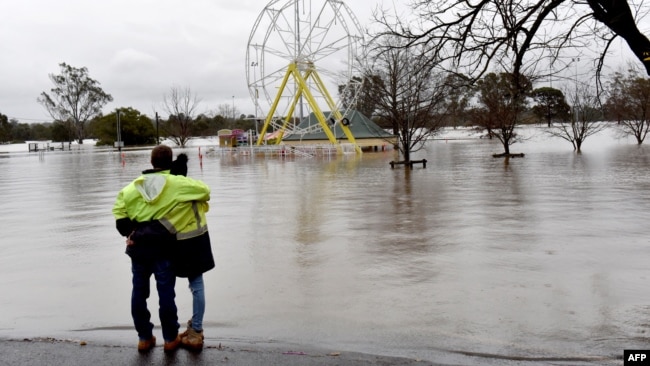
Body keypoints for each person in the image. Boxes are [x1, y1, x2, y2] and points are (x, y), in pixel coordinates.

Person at [113, 145, 211, 353]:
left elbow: (120, 217)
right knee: (166, 293)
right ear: (170, 162)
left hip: (138, 250)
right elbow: (205, 192)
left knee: (138, 293)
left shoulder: (131, 188)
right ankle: (169, 338)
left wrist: (132, 233)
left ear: (151, 162)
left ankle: (144, 337)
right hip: (164, 248)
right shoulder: (178, 184)